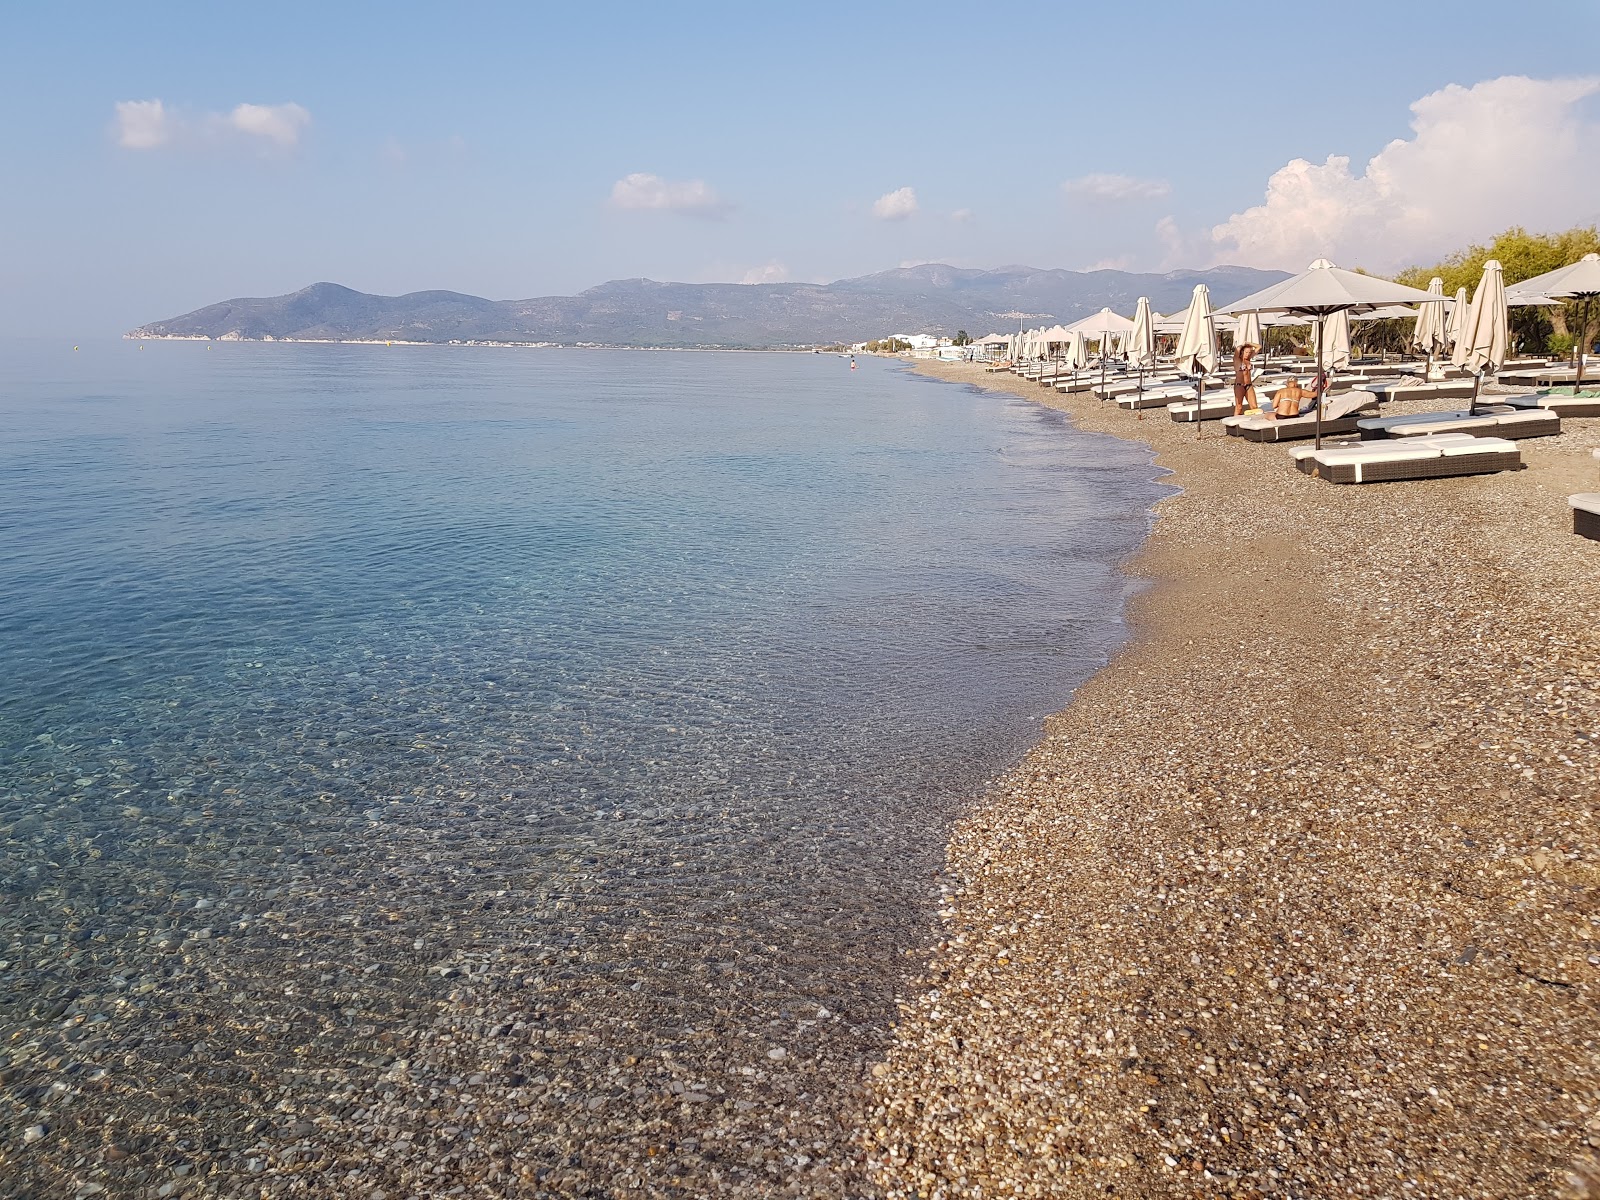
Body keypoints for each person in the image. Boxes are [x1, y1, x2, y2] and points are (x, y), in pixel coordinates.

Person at [1231, 343, 1258, 415]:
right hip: (1239, 385)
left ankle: (1254, 423)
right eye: (1246, 352)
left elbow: (1259, 347)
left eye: (1249, 352)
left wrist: (1249, 343)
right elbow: (1237, 349)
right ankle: (1234, 424)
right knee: (1239, 407)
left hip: (1249, 385)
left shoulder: (1248, 359)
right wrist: (1243, 344)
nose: (1248, 354)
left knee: (1254, 407)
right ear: (1242, 352)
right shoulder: (1237, 360)